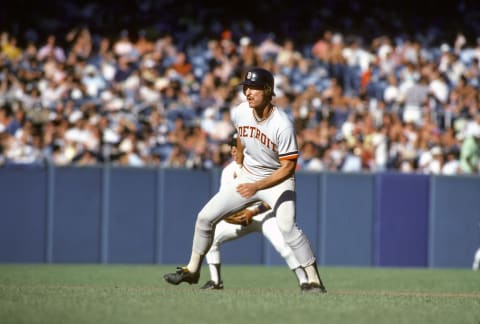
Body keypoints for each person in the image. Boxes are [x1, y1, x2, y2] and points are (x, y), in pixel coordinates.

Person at [164, 67, 327, 292]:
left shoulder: (283, 124)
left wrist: (257, 186)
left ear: (268, 90)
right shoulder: (241, 111)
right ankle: (193, 270)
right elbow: (241, 134)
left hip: (277, 180)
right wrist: (240, 155)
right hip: (249, 176)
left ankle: (314, 280)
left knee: (287, 227)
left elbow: (288, 167)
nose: (248, 93)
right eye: (246, 88)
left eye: (254, 88)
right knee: (204, 218)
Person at [200, 133, 308, 290]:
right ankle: (216, 281)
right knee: (210, 238)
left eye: (238, 147)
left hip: (264, 215)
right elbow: (224, 203)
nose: (234, 151)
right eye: (233, 147)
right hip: (241, 218)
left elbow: (274, 199)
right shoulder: (228, 171)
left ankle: (305, 281)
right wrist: (230, 216)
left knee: (283, 246)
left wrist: (253, 212)